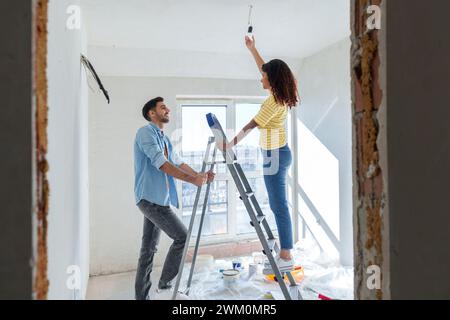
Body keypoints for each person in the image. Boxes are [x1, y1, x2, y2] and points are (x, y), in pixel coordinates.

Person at [223, 36, 299, 272]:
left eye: (263, 76)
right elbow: (266, 68)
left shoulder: (272, 102)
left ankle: (286, 255)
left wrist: (230, 144)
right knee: (278, 204)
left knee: (278, 205)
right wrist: (252, 49)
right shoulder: (279, 94)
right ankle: (284, 250)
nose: (260, 77)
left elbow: (252, 124)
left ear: (271, 80)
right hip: (279, 153)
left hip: (274, 155)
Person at [134, 97, 215, 300]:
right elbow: (162, 164)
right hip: (150, 199)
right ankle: (166, 283)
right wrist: (192, 180)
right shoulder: (145, 133)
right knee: (182, 237)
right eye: (163, 107)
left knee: (148, 251)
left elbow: (177, 162)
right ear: (152, 113)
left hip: (158, 200)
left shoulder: (164, 138)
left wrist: (200, 175)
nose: (167, 109)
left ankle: (141, 297)